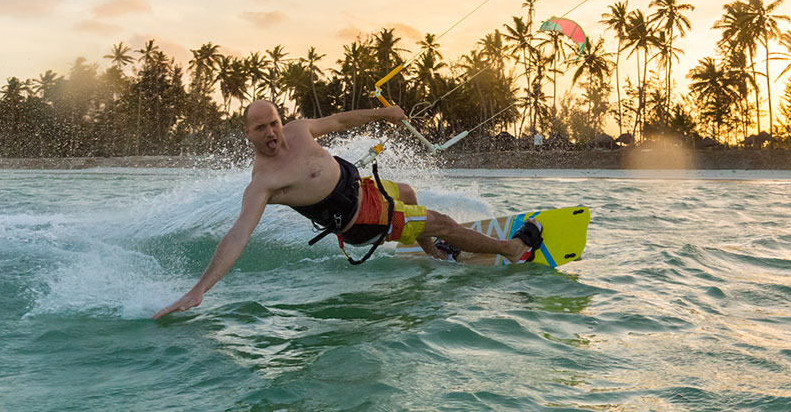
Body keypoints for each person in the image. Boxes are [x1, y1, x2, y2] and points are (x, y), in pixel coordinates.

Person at [153, 100, 541, 319]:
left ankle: (433, 249)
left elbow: (339, 120)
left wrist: (383, 114)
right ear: (247, 134)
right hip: (361, 219)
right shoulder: (263, 183)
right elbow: (238, 234)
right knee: (440, 221)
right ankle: (512, 249)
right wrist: (200, 288)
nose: (271, 134)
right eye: (260, 129)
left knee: (405, 190)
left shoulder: (298, 130)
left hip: (368, 191)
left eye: (273, 123)